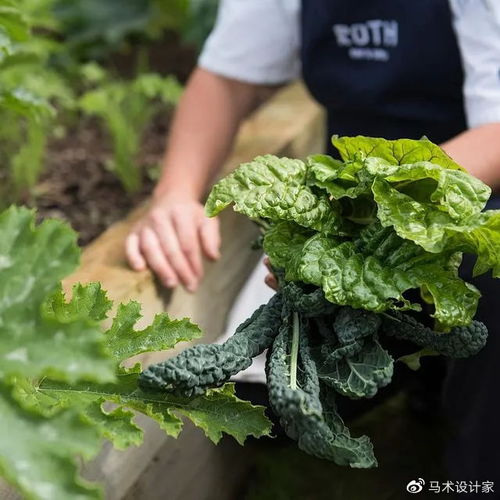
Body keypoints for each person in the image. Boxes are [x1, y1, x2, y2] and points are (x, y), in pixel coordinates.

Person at [126, 0, 500, 491]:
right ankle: (421, 369)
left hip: (468, 196)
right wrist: (175, 193)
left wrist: (362, 219)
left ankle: (476, 472)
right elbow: (227, 78)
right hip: (353, 201)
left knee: (489, 288)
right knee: (266, 407)